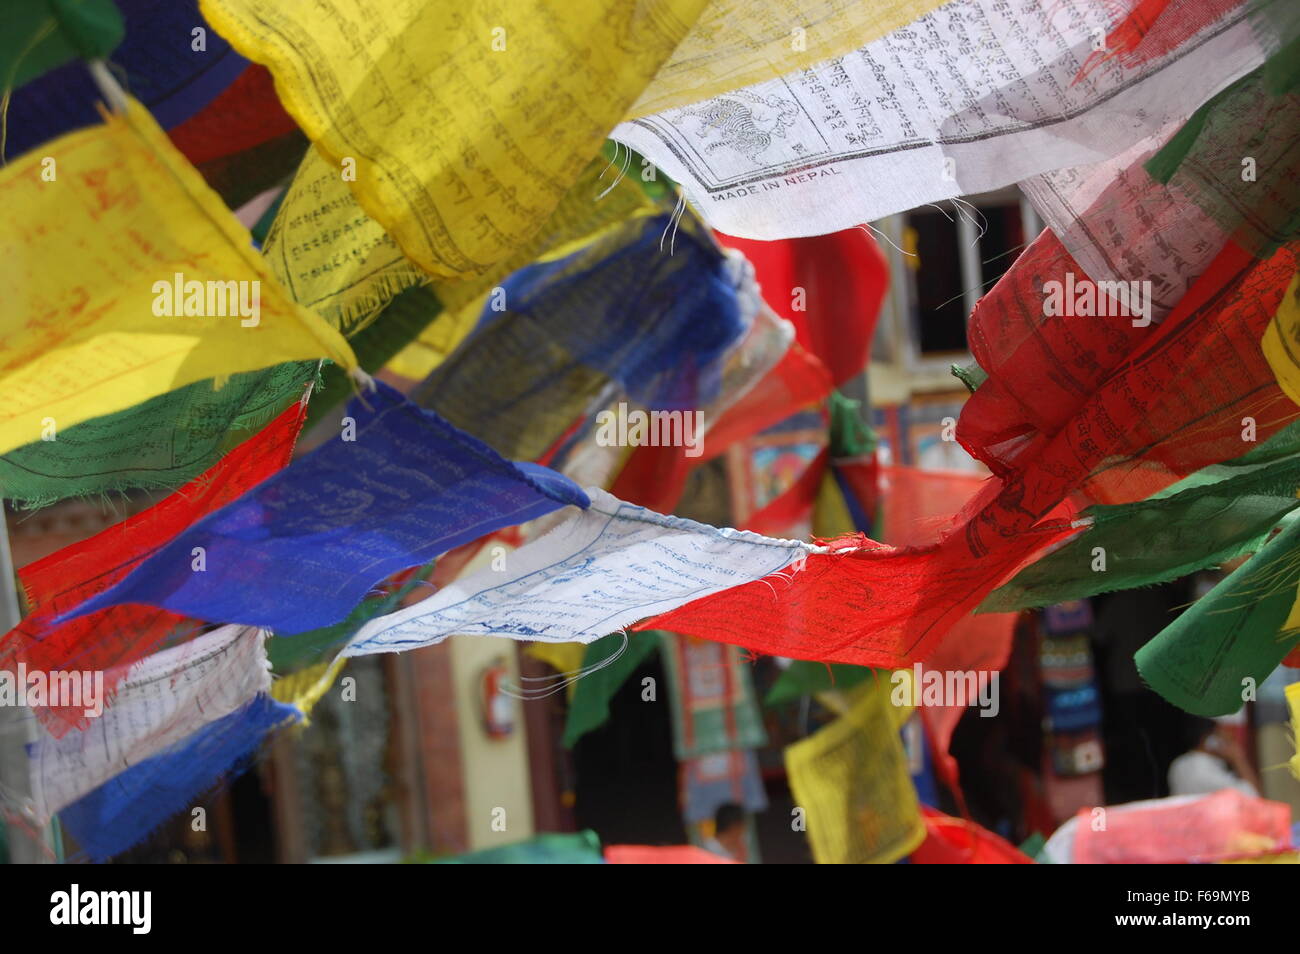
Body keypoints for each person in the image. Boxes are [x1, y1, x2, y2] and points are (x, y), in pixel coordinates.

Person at [1167, 716, 1260, 797]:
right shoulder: (1204, 769)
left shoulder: (1179, 764)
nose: (1229, 737)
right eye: (1221, 733)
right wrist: (1238, 759)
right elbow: (1252, 795)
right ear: (1209, 739)